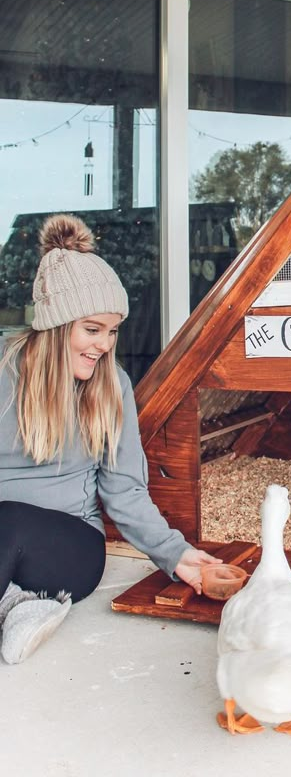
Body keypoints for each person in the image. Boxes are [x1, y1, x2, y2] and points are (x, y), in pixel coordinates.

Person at [0, 213, 221, 664]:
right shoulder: (5, 371)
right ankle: (19, 605)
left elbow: (123, 490)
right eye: (92, 329)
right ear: (58, 324)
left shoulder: (110, 385)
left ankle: (21, 599)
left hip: (70, 550)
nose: (104, 345)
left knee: (11, 522)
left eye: (112, 332)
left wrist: (175, 554)